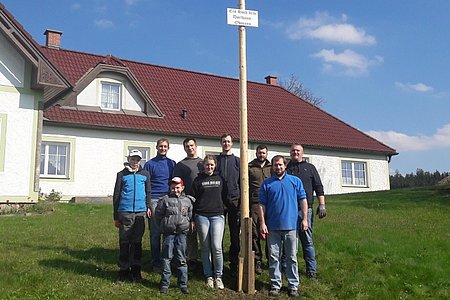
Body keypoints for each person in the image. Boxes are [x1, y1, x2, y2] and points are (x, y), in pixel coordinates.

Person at [258, 155, 308, 297]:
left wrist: (305, 219)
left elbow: (303, 200)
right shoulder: (267, 184)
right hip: (273, 227)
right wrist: (262, 223)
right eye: (275, 165)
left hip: (291, 226)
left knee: (291, 257)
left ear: (285, 166)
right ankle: (275, 284)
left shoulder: (295, 181)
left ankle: (293, 285)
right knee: (274, 258)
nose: (278, 167)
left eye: (280, 165)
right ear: (272, 167)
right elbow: (261, 205)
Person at [287, 143, 326, 280]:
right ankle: (287, 269)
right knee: (289, 240)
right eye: (292, 151)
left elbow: (318, 187)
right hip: (289, 210)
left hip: (306, 210)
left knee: (307, 240)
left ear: (302, 153)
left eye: (297, 151)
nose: (295, 153)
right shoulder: (286, 168)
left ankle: (311, 270)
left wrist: (322, 205)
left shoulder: (310, 168)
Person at [113, 149, 151, 283]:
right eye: (133, 159)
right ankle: (123, 271)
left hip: (140, 212)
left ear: (140, 161)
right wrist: (116, 216)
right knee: (124, 242)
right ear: (128, 159)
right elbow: (116, 195)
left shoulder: (145, 174)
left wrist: (148, 207)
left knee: (137, 242)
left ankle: (136, 270)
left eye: (137, 160)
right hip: (125, 212)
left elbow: (148, 192)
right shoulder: (121, 175)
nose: (135, 162)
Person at [192, 155, 227, 290]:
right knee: (205, 246)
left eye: (212, 165)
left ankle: (219, 276)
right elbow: (194, 200)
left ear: (215, 165)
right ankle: (208, 276)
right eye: (207, 165)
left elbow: (225, 196)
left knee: (217, 247)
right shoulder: (198, 180)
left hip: (217, 216)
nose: (209, 167)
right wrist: (193, 218)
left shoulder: (220, 179)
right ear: (203, 166)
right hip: (201, 216)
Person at [154, 177, 194, 295]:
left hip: (182, 233)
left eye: (177, 187)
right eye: (172, 188)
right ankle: (165, 284)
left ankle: (183, 283)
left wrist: (188, 223)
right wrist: (164, 226)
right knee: (166, 257)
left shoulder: (188, 200)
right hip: (168, 233)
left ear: (182, 188)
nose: (175, 190)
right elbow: (158, 215)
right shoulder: (164, 200)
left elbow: (190, 215)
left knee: (182, 258)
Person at [143, 138, 176, 271]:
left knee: (169, 230)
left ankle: (167, 260)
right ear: (156, 147)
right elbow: (146, 185)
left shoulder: (172, 163)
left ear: (168, 148)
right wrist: (147, 204)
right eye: (160, 146)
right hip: (154, 199)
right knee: (155, 232)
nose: (163, 148)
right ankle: (156, 261)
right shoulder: (150, 164)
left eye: (165, 146)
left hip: (168, 198)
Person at [173, 138, 203, 271]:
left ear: (196, 146)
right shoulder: (181, 165)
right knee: (189, 231)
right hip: (187, 200)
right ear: (184, 148)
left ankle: (207, 259)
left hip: (203, 201)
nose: (190, 148)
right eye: (187, 146)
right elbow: (177, 184)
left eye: (191, 145)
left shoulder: (203, 163)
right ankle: (192, 259)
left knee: (204, 231)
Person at [216, 133, 240, 275]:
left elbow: (243, 182)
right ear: (221, 143)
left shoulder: (237, 161)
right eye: (224, 141)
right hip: (218, 202)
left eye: (228, 141)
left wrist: (242, 203)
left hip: (234, 201)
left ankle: (234, 263)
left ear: (232, 143)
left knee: (234, 234)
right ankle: (216, 262)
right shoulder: (217, 160)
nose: (226, 144)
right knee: (218, 234)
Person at [248, 144, 272, 274]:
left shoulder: (271, 167)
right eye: (259, 153)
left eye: (263, 153)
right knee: (255, 233)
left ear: (266, 154)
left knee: (270, 232)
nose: (261, 155)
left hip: (270, 204)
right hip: (255, 203)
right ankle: (257, 260)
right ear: (256, 153)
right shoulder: (250, 167)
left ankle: (271, 259)